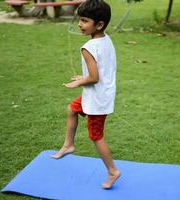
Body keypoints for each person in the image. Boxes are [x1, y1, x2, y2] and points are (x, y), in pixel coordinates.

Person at [51, 0, 121, 189]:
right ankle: (68, 145)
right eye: (79, 20)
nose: (80, 24)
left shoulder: (87, 48)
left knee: (96, 136)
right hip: (99, 94)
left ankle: (113, 171)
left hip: (97, 98)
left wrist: (80, 81)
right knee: (72, 108)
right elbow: (102, 69)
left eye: (84, 21)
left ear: (99, 24)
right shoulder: (105, 40)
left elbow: (95, 77)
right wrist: (86, 77)